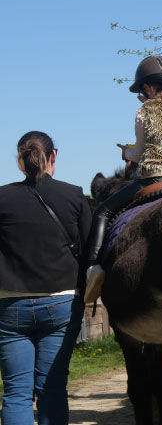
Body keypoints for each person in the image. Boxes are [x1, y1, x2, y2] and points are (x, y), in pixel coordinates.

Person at [84, 55, 162, 303]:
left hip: (155, 178)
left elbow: (138, 154)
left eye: (142, 90)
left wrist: (125, 152)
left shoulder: (144, 110)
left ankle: (93, 271)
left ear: (147, 87)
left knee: (102, 213)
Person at [0, 132, 90, 425]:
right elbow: (89, 250)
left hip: (9, 305)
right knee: (51, 389)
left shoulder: (2, 198)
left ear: (20, 161)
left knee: (15, 394)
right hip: (61, 302)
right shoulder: (74, 194)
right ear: (53, 156)